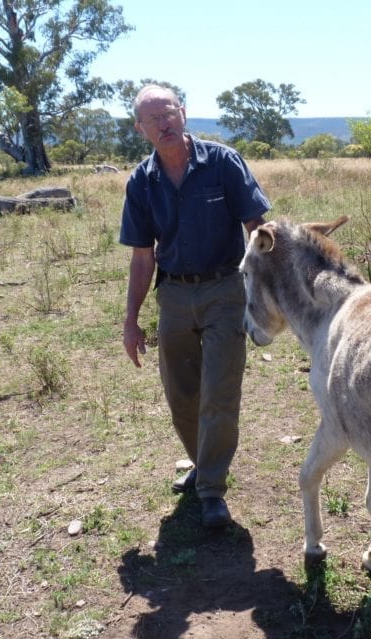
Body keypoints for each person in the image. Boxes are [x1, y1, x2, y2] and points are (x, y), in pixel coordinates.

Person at [120, 84, 271, 529]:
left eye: (169, 113)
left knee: (219, 394)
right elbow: (142, 255)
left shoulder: (222, 162)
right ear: (140, 128)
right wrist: (131, 321)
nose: (163, 123)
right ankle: (202, 464)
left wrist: (269, 281)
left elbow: (256, 227)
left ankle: (211, 491)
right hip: (174, 296)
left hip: (226, 290)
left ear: (182, 113)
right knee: (182, 396)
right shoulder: (141, 182)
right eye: (153, 119)